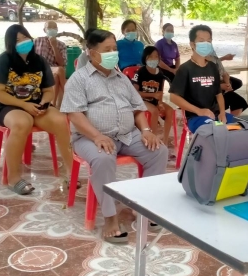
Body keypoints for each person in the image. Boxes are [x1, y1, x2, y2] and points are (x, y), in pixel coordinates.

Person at [61, 29, 168, 243]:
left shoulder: (122, 78)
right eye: (107, 50)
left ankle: (143, 205)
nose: (113, 53)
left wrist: (146, 131)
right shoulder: (79, 79)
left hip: (127, 135)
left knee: (159, 151)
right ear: (92, 53)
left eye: (115, 49)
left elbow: (138, 109)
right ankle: (110, 217)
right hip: (89, 137)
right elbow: (74, 114)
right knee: (103, 159)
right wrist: (97, 136)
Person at [0, 25, 74, 195]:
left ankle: (71, 173)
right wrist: (24, 105)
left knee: (61, 121)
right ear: (10, 44)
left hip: (37, 106)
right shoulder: (4, 60)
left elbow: (49, 90)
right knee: (22, 122)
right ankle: (13, 178)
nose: (23, 42)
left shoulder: (40, 61)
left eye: (25, 37)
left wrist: (43, 103)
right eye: (17, 40)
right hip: (9, 106)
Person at [170, 25, 236, 133]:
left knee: (239, 128)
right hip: (196, 118)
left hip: (216, 116)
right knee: (214, 130)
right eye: (201, 41)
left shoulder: (213, 67)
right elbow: (173, 97)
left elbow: (219, 94)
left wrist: (222, 113)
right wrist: (199, 111)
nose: (206, 44)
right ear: (192, 44)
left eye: (209, 41)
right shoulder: (185, 69)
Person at [131, 46, 175, 145]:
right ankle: (153, 139)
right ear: (145, 58)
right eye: (150, 57)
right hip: (141, 100)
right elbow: (134, 93)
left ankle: (165, 141)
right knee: (154, 111)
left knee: (170, 110)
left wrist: (160, 103)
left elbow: (160, 92)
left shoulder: (160, 74)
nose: (154, 59)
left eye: (156, 57)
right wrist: (152, 94)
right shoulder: (140, 72)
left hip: (154, 100)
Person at [34, 21, 67, 108]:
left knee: (56, 75)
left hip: (52, 70)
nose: (52, 29)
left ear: (57, 30)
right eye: (49, 27)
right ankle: (68, 94)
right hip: (39, 69)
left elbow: (62, 63)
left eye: (54, 28)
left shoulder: (61, 45)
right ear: (44, 30)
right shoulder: (37, 41)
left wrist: (54, 46)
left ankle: (53, 104)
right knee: (60, 70)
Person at [206, 48, 248, 117]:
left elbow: (224, 73)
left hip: (217, 84)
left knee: (237, 86)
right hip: (207, 95)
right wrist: (220, 86)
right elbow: (201, 86)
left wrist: (228, 84)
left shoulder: (212, 55)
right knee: (239, 101)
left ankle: (230, 119)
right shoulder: (197, 67)